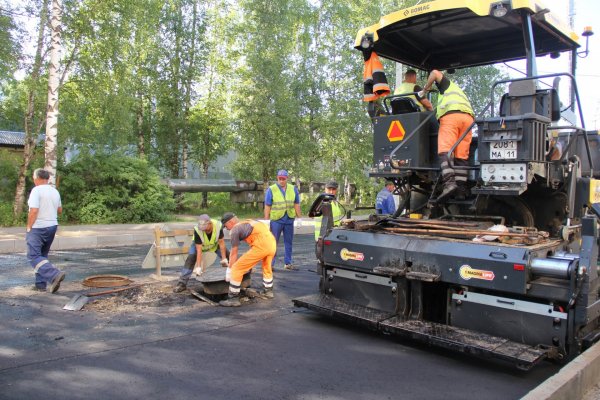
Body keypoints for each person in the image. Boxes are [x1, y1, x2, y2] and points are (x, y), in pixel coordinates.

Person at [420, 69, 474, 202]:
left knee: (445, 151)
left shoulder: (446, 85)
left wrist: (425, 89)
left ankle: (449, 184)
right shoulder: (459, 92)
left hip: (451, 117)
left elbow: (434, 73)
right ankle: (461, 189)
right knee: (462, 155)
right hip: (468, 120)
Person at [219, 213, 276, 307]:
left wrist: (229, 270)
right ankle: (268, 291)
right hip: (272, 243)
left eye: (225, 225)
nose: (226, 228)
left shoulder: (235, 229)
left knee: (237, 268)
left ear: (231, 222)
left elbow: (233, 253)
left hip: (261, 245)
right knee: (266, 266)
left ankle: (233, 298)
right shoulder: (249, 222)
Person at [26, 168, 65, 293]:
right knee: (42, 256)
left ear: (37, 178)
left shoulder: (36, 191)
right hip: (52, 226)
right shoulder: (55, 192)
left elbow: (33, 211)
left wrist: (29, 227)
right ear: (47, 179)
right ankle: (40, 284)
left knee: (33, 256)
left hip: (38, 227)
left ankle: (54, 275)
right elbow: (60, 210)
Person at [173, 214, 230, 293]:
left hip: (214, 244)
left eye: (205, 229)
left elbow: (221, 243)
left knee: (229, 257)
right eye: (202, 229)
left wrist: (224, 259)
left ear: (210, 223)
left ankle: (237, 279)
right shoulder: (197, 229)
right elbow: (199, 250)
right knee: (191, 259)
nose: (204, 231)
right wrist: (198, 267)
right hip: (201, 246)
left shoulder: (218, 225)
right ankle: (182, 283)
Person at [263, 169, 301, 271]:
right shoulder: (271, 189)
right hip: (276, 220)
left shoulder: (293, 189)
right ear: (277, 178)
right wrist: (266, 220)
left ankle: (288, 263)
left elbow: (296, 204)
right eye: (279, 179)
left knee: (289, 242)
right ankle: (270, 264)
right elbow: (267, 205)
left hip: (289, 219)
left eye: (283, 179)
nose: (281, 181)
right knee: (273, 242)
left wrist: (299, 217)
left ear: (287, 179)